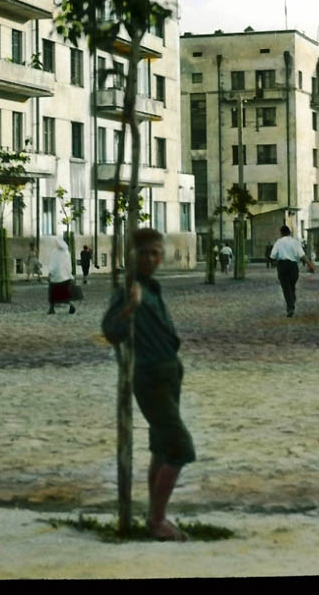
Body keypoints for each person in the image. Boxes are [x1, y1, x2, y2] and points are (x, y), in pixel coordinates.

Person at [108, 228, 196, 541]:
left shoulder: (153, 287)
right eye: (144, 252)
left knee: (161, 447)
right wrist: (129, 308)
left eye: (156, 252)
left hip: (169, 373)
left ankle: (153, 516)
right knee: (180, 447)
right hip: (149, 376)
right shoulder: (129, 290)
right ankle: (157, 520)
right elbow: (110, 331)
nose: (151, 259)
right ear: (130, 255)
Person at [269, 225, 315, 318]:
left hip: (282, 265)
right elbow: (302, 255)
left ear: (281, 233)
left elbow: (272, 255)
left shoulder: (278, 242)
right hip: (293, 266)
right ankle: (292, 300)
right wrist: (310, 264)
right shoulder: (295, 242)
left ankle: (290, 307)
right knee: (291, 285)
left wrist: (273, 262)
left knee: (286, 288)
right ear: (289, 232)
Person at [47, 237, 76, 315]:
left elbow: (66, 264)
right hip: (58, 277)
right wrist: (51, 272)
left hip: (61, 277)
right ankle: (52, 308)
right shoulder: (56, 252)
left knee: (63, 293)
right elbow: (52, 263)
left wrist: (69, 274)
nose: (56, 244)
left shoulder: (64, 252)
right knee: (56, 293)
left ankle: (71, 306)